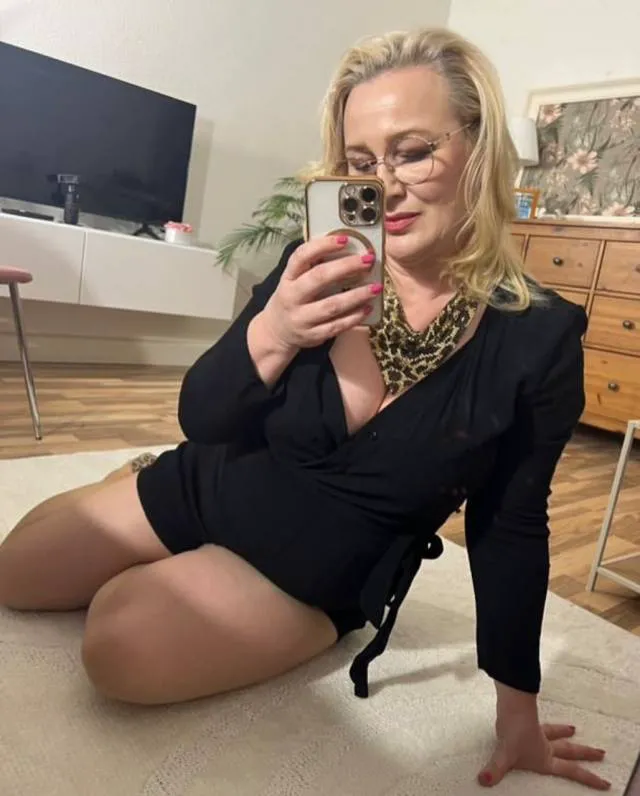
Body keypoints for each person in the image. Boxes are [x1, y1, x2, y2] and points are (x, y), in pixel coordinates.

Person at [0, 27, 611, 791]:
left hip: (315, 567)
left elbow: (510, 525)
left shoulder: (536, 338)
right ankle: (140, 496)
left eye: (412, 152)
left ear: (480, 149)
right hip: (213, 478)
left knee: (119, 645)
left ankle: (247, 598)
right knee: (14, 573)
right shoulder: (317, 266)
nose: (384, 186)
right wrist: (276, 328)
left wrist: (517, 709)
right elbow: (204, 416)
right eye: (360, 163)